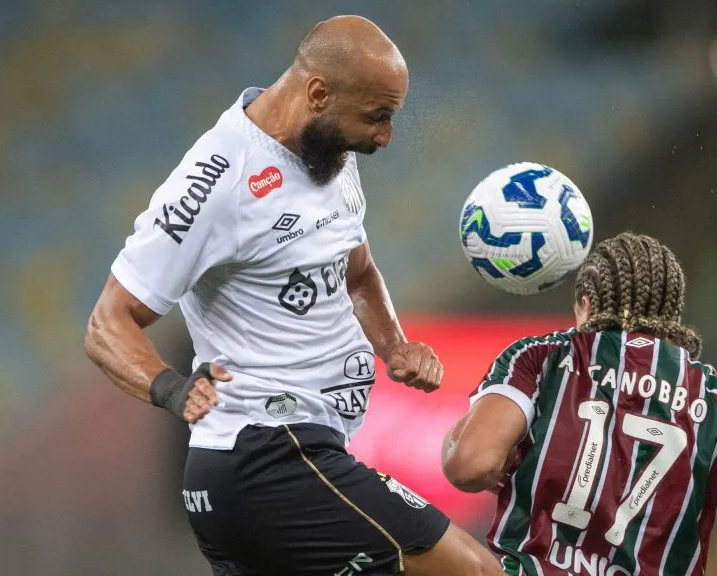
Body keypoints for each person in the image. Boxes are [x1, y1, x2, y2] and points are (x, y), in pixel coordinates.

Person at [84, 14, 503, 576]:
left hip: (294, 456)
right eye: (377, 117)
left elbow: (356, 272)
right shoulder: (216, 181)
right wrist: (171, 388)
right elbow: (107, 323)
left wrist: (394, 346)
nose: (384, 137)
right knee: (476, 570)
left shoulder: (329, 151)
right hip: (268, 456)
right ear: (319, 92)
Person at [441, 232, 717, 576]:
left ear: (585, 306)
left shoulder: (544, 358)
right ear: (673, 316)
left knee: (403, 532)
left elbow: (471, 465)